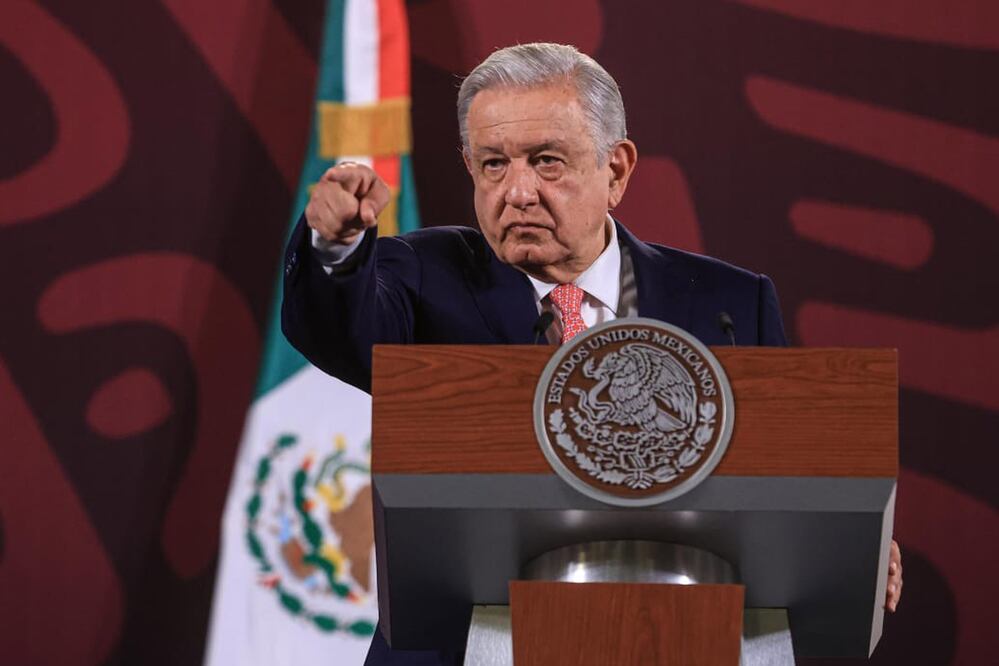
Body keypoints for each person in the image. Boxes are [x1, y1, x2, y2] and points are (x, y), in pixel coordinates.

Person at [281, 42, 902, 665]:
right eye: (493, 165)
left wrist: (852, 538)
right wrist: (334, 247)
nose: (517, 192)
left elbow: (785, 472)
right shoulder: (423, 275)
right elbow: (339, 326)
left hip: (690, 637)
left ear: (617, 170)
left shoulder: (729, 302)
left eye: (546, 161)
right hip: (468, 645)